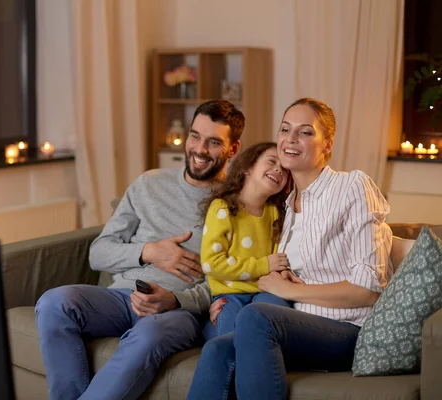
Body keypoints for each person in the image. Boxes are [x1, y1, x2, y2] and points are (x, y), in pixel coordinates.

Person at [35, 100, 244, 400]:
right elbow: (99, 252)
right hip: (121, 297)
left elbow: (228, 281)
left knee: (150, 334)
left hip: (176, 313)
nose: (199, 149)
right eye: (195, 136)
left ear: (233, 149)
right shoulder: (149, 183)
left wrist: (174, 299)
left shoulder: (235, 205)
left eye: (213, 142)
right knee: (54, 303)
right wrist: (149, 251)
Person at [186, 98, 394, 400]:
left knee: (256, 318)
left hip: (347, 330)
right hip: (292, 327)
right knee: (219, 347)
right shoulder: (283, 208)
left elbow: (368, 288)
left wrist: (289, 291)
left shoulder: (352, 187)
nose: (291, 139)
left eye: (306, 132)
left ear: (327, 144)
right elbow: (240, 265)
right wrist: (219, 299)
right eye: (285, 129)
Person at [198, 142, 292, 343]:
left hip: (265, 292)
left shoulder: (276, 213)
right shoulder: (222, 208)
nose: (279, 169)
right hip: (230, 295)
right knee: (229, 339)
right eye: (272, 161)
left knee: (279, 322)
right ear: (247, 168)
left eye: (285, 169)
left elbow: (280, 260)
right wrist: (264, 265)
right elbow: (211, 263)